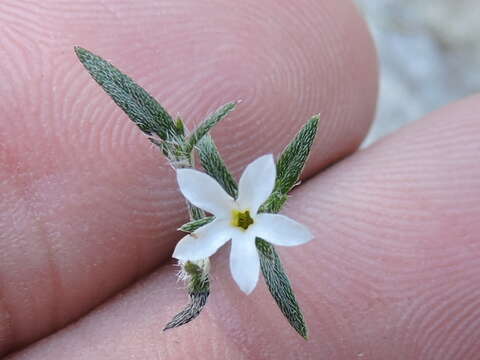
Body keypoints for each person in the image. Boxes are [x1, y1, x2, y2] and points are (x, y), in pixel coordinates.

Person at [1, 0, 478, 359]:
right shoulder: (226, 202)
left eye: (247, 214)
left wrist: (195, 157)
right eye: (245, 214)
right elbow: (206, 221)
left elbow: (225, 219)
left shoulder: (247, 209)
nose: (247, 215)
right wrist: (191, 155)